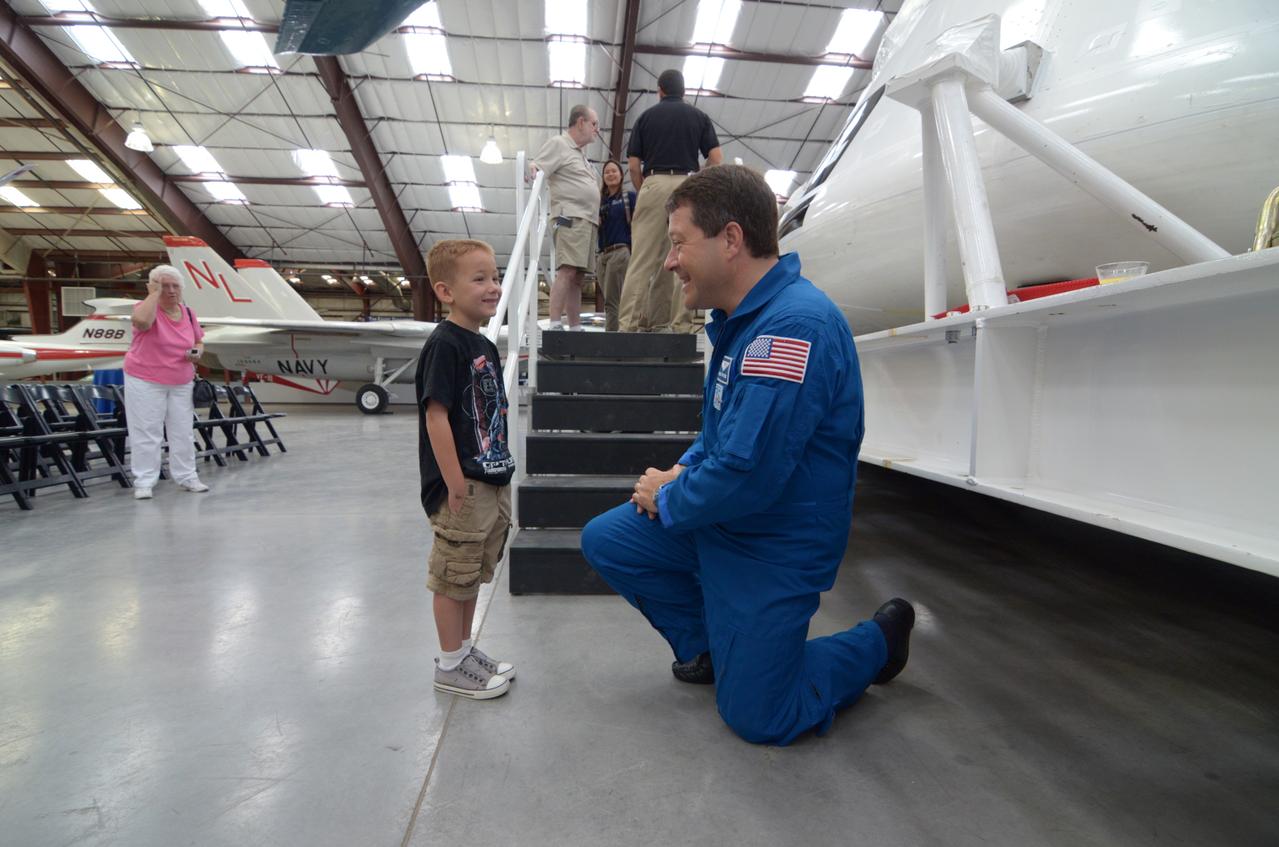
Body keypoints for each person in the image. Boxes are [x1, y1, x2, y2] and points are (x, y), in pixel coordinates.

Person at [581, 166, 916, 746]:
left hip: (772, 544)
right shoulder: (743, 323)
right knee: (609, 539)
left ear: (730, 240)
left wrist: (668, 494)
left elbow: (748, 473)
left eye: (678, 243)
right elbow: (721, 437)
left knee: (761, 716)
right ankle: (713, 648)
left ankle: (877, 642)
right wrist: (682, 470)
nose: (668, 261)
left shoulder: (792, 329)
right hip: (726, 518)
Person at [415, 239, 518, 700]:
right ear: (446, 291)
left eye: (495, 277)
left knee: (473, 572)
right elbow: (435, 415)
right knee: (451, 574)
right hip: (464, 487)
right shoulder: (445, 344)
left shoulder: (482, 343)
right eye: (480, 279)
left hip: (491, 479)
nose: (493, 286)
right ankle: (448, 662)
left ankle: (464, 648)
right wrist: (454, 482)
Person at [616, 69, 723, 334]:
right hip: (687, 185)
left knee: (642, 259)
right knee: (683, 257)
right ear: (683, 91)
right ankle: (678, 326)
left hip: (654, 182)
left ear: (660, 90)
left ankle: (627, 327)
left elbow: (632, 165)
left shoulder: (646, 118)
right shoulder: (699, 117)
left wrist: (646, 188)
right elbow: (717, 158)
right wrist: (698, 181)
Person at [123, 264, 209, 501]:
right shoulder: (145, 308)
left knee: (182, 431)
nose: (171, 291)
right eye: (165, 286)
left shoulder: (189, 313)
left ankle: (187, 475)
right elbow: (141, 323)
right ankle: (144, 481)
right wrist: (153, 294)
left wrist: (197, 351)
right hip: (145, 378)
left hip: (180, 380)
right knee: (147, 431)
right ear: (153, 286)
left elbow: (199, 341)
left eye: (175, 286)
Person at [531, 104, 601, 331]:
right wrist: (532, 169)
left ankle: (574, 325)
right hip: (570, 216)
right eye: (594, 124)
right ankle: (554, 322)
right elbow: (537, 166)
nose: (596, 129)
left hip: (587, 220)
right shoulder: (559, 144)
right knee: (567, 270)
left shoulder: (579, 154)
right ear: (580, 122)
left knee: (578, 276)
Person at [597, 159, 637, 332]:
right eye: (607, 172)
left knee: (612, 301)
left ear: (621, 175)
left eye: (614, 171)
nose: (611, 174)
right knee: (611, 299)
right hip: (602, 254)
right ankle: (619, 333)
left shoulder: (629, 197)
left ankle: (612, 338)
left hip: (620, 251)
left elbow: (638, 223)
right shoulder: (599, 201)